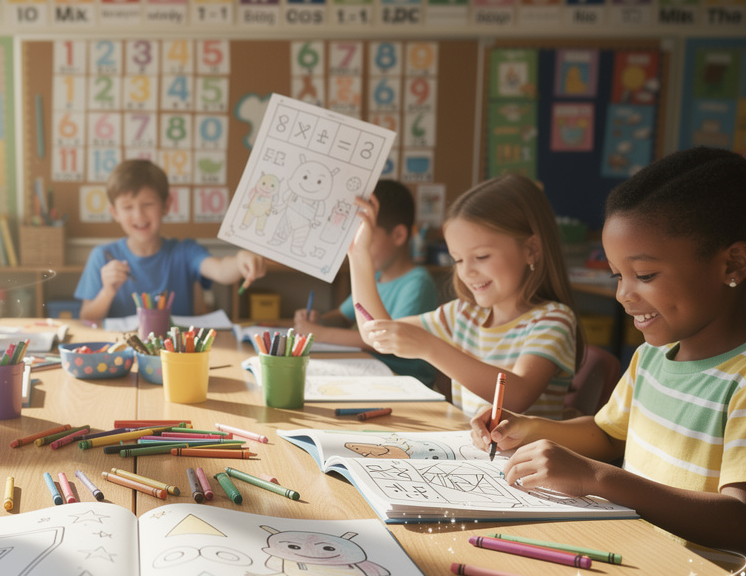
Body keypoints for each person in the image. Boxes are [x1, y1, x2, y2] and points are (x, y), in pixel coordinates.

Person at [435, 148, 746, 576]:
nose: (625, 294)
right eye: (618, 275)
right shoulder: (654, 358)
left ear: (733, 264)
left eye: (644, 275)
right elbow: (606, 435)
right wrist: (528, 427)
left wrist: (599, 480)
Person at [353, 174, 582, 421]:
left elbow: (518, 396)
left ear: (531, 250)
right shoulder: (463, 314)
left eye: (481, 257)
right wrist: (358, 254)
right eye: (458, 260)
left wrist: (430, 348)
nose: (467, 272)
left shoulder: (553, 319)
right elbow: (375, 333)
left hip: (526, 448)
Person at [75, 159, 267, 324]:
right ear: (114, 212)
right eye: (127, 207)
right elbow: (87, 318)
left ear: (166, 205)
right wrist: (108, 291)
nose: (139, 215)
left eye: (148, 204)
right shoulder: (102, 256)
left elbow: (221, 270)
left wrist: (241, 260)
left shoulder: (185, 252)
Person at [293, 179, 439, 387]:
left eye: (366, 236)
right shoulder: (375, 278)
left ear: (398, 235)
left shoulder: (417, 283)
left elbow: (387, 341)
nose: (357, 243)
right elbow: (343, 316)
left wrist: (322, 334)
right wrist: (319, 321)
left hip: (403, 382)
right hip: (370, 372)